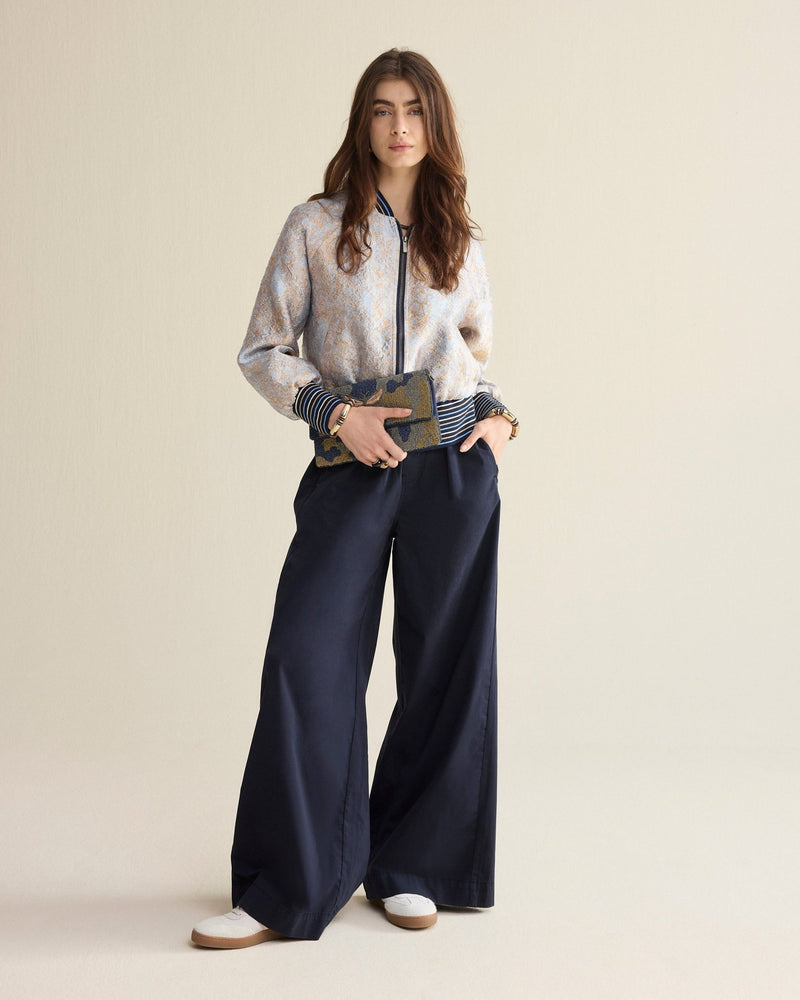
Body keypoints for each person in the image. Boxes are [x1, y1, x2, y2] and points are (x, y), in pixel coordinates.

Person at [190, 46, 519, 948]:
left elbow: (474, 355)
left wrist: (498, 421)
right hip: (351, 463)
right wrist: (336, 413)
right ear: (362, 122)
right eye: (382, 109)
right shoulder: (315, 226)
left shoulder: (462, 237)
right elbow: (263, 350)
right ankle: (285, 886)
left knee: (446, 665)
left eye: (414, 110)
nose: (399, 126)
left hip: (451, 468)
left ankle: (413, 865)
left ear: (435, 124)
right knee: (309, 657)